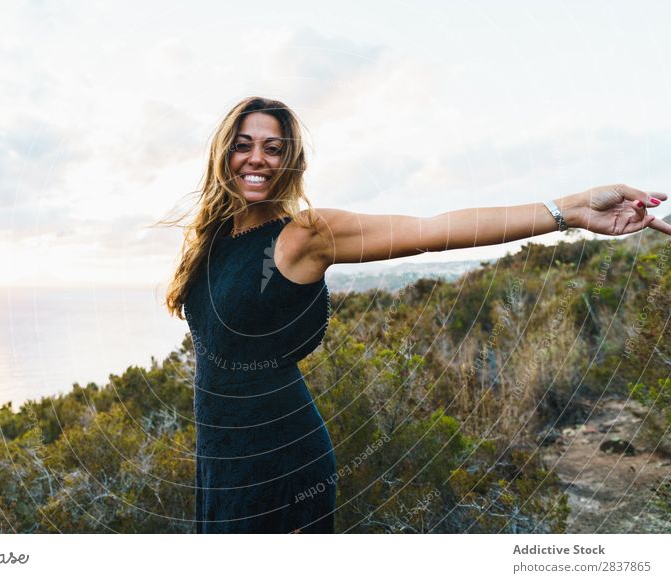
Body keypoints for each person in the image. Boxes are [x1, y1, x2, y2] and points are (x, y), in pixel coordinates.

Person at [165, 96, 670, 534]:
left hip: (279, 455)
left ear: (289, 160)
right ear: (223, 153)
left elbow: (434, 230)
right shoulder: (214, 237)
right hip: (220, 453)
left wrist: (572, 209)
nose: (257, 159)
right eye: (244, 144)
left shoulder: (305, 233)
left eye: (273, 148)